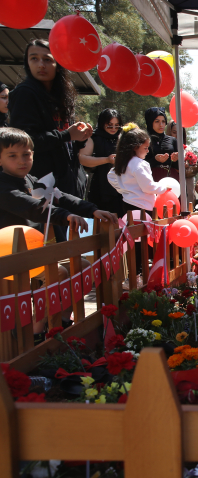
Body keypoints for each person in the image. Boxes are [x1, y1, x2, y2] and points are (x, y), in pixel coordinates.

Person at [0, 128, 118, 334]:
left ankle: (62, 320)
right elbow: (32, 206)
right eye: (12, 156)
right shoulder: (3, 185)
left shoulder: (32, 180)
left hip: (34, 252)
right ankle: (36, 331)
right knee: (59, 273)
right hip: (10, 256)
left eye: (26, 154)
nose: (21, 161)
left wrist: (92, 210)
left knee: (82, 267)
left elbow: (60, 196)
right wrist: (64, 216)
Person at [9, 39, 93, 241]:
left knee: (68, 246)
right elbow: (25, 142)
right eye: (34, 59)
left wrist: (79, 138)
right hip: (41, 186)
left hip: (64, 184)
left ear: (58, 64)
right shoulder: (25, 93)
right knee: (50, 246)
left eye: (47, 59)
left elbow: (63, 142)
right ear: (27, 63)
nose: (41, 65)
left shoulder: (60, 94)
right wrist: (67, 135)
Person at [107, 123, 169, 214]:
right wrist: (164, 188)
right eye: (145, 148)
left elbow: (111, 176)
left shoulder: (123, 162)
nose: (148, 151)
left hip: (127, 203)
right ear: (135, 147)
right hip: (142, 206)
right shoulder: (139, 164)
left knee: (130, 223)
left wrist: (124, 189)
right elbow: (148, 186)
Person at [78, 109, 124, 216]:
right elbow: (82, 159)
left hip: (121, 187)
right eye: (109, 125)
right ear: (102, 123)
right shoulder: (93, 137)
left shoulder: (122, 137)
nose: (113, 129)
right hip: (100, 185)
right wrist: (107, 160)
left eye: (117, 125)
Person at [167, 120, 198, 205]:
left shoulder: (187, 148)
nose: (177, 135)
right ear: (169, 132)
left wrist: (188, 166)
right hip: (172, 186)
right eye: (174, 132)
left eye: (180, 132)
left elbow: (195, 167)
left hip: (187, 187)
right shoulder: (165, 149)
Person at [144, 107, 179, 183]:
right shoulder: (143, 140)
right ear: (150, 122)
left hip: (171, 179)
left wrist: (176, 160)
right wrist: (155, 160)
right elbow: (139, 164)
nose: (161, 125)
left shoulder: (172, 140)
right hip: (150, 179)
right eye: (157, 121)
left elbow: (179, 167)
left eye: (163, 121)